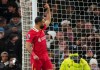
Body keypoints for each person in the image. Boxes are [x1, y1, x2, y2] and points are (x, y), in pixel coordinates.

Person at [25, 3, 53, 70]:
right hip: (37, 57)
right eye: (43, 22)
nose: (44, 23)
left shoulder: (41, 28)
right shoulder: (31, 33)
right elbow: (27, 46)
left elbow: (48, 20)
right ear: (38, 23)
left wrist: (48, 9)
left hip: (45, 55)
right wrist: (34, 55)